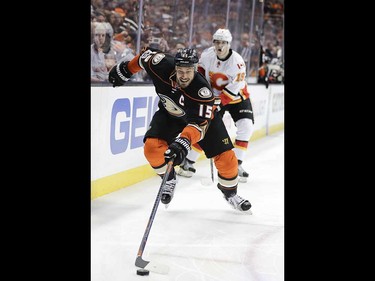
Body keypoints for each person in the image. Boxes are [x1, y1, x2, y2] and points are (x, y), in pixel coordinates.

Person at [108, 47, 251, 212]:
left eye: (188, 71)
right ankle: (168, 179)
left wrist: (183, 142)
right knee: (152, 148)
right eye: (180, 71)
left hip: (202, 122)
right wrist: (126, 69)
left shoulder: (202, 92)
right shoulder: (160, 64)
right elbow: (143, 57)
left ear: (195, 70)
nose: (183, 76)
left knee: (227, 160)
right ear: (175, 67)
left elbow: (198, 126)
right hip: (170, 114)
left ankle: (230, 193)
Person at [177, 28, 255, 183]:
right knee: (205, 127)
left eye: (223, 42)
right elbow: (199, 73)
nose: (220, 45)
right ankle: (189, 162)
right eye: (217, 42)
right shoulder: (207, 55)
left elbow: (234, 89)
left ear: (229, 44)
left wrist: (217, 105)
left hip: (237, 97)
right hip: (212, 97)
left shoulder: (238, 63)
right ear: (213, 42)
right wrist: (203, 95)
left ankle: (237, 164)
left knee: (246, 125)